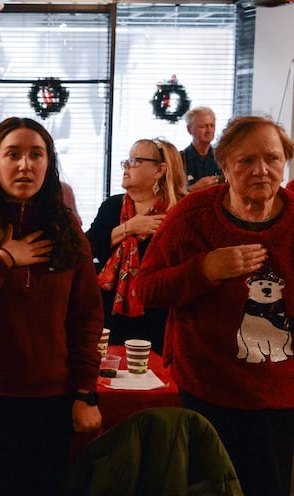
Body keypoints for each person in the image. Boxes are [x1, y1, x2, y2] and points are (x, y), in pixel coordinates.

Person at [0, 117, 103, 496]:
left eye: (35, 155)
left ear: (48, 163)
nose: (25, 165)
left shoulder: (66, 227)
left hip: (51, 401)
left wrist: (85, 392)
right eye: (13, 154)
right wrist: (3, 259)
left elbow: (86, 318)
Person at [133, 115, 294, 496]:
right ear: (224, 165)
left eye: (272, 159)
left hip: (279, 394)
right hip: (206, 389)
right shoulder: (192, 216)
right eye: (246, 161)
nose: (261, 170)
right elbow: (147, 289)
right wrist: (203, 270)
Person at [86, 138, 186, 353]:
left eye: (135, 161)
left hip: (159, 318)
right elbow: (87, 247)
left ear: (160, 170)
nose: (126, 167)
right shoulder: (112, 206)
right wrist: (129, 227)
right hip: (109, 314)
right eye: (126, 161)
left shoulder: (179, 211)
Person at [180, 106, 224, 192]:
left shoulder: (222, 158)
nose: (209, 130)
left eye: (212, 125)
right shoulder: (179, 159)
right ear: (189, 129)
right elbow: (171, 193)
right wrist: (192, 189)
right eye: (203, 126)